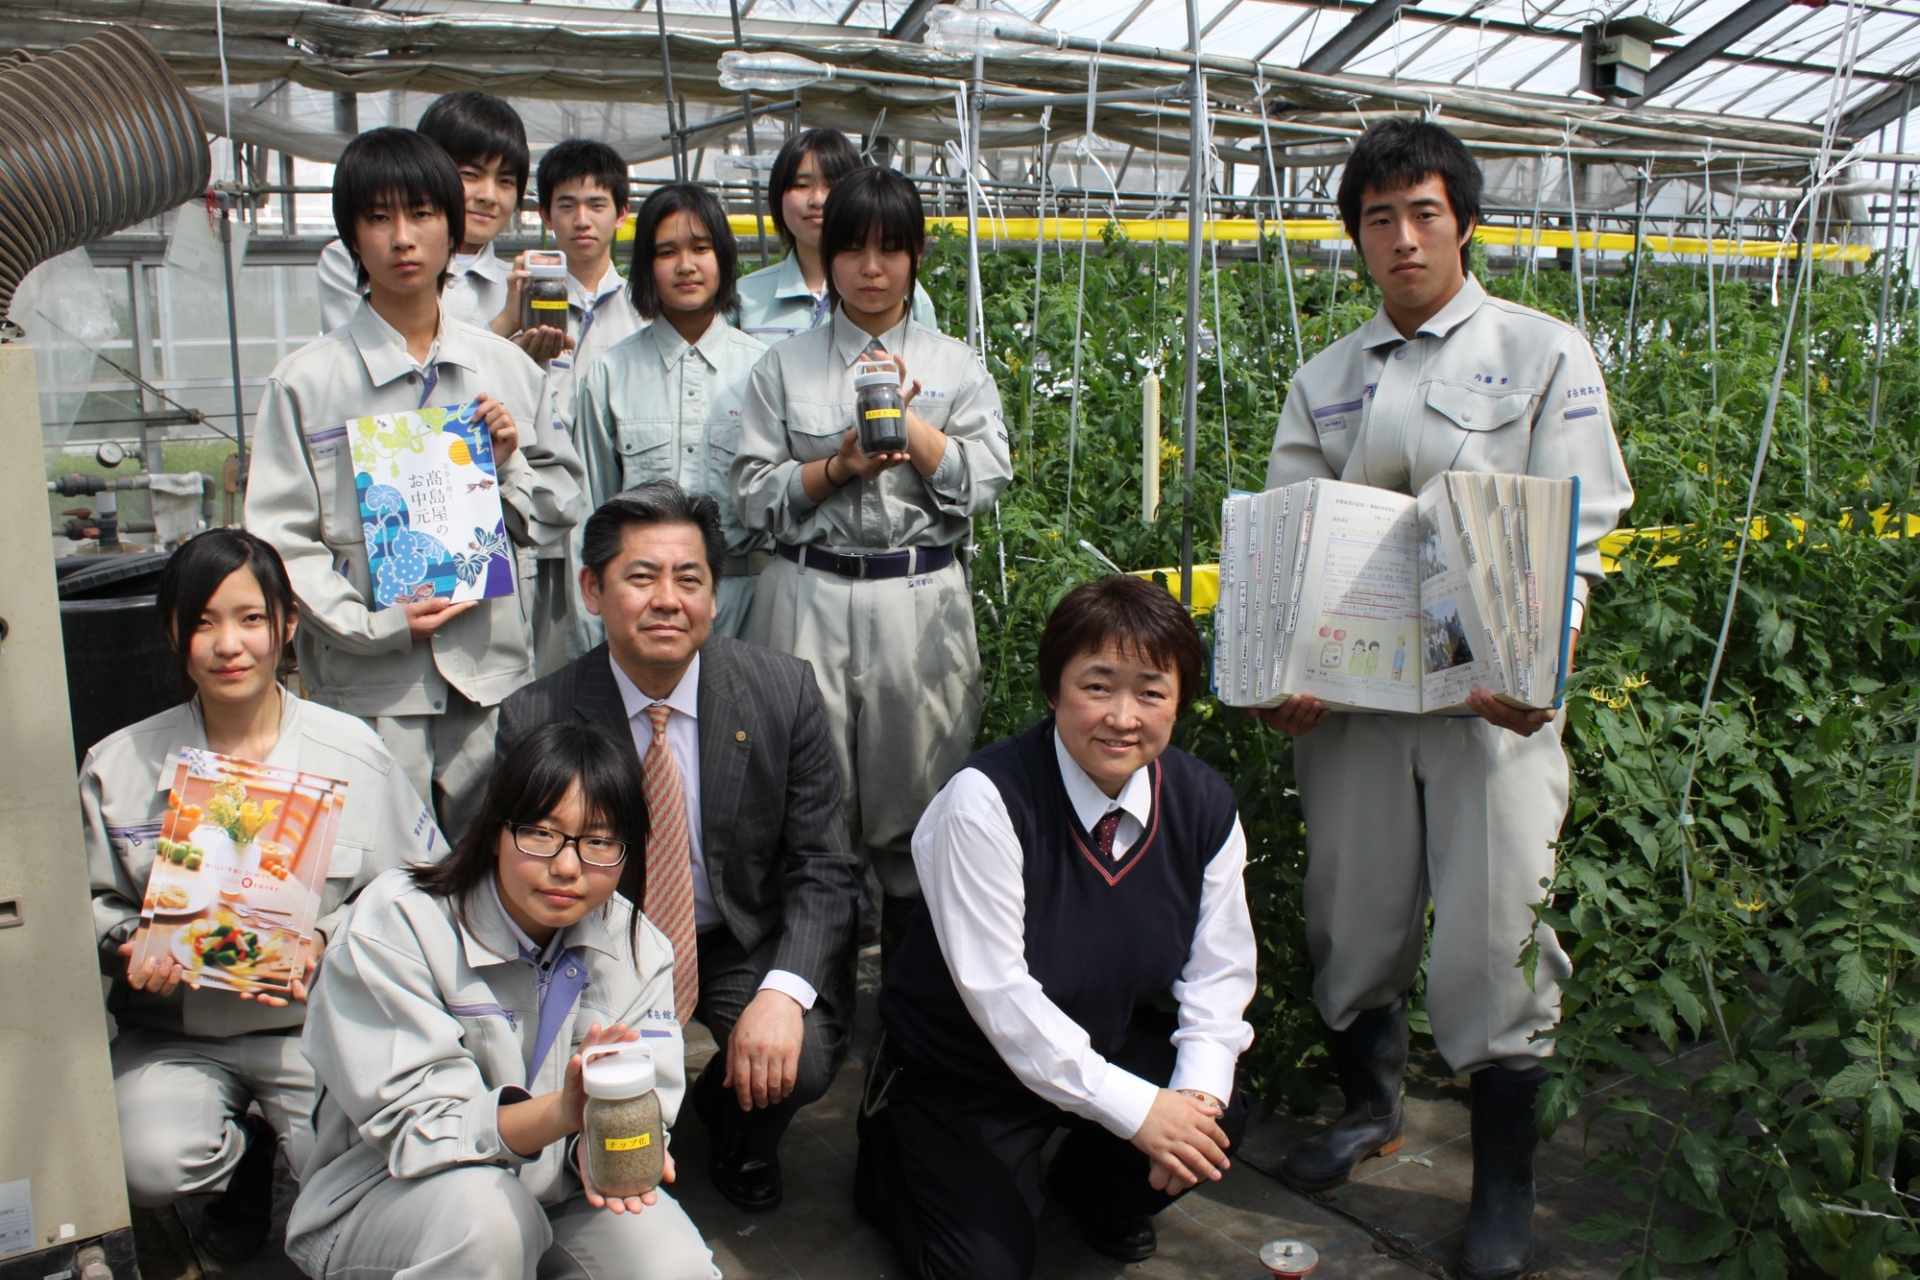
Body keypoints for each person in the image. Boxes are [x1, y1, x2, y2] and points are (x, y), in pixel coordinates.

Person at [1253, 117, 1633, 1280]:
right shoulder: (1325, 380)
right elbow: (1287, 534)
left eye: (1424, 213)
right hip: (1359, 705)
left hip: (1490, 703)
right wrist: (1283, 671)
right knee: (1352, 904)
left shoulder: (1541, 354)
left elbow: (1580, 527)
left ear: (1465, 221)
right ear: (1356, 240)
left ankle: (1502, 1180)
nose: (1403, 238)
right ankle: (1370, 1107)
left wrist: (1536, 663)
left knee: (1494, 925)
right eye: (1378, 219)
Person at [858, 576, 1256, 1277]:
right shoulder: (985, 804)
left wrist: (1191, 1101)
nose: (1122, 717)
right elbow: (1001, 998)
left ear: (1180, 703)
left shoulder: (1202, 805)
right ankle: (892, 1155)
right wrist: (1136, 1111)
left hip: (1100, 1041)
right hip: (967, 1074)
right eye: (1097, 686)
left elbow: (1220, 972)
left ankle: (1093, 1190)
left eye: (1151, 691)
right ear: (1052, 690)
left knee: (1212, 1113)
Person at [497, 482, 860, 1215]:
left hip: (731, 935)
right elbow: (518, 877)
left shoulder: (781, 692)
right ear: (593, 590)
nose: (668, 599)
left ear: (714, 595)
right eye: (642, 577)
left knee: (806, 1053)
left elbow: (826, 862)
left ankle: (733, 1130)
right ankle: (595, 1143)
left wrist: (782, 997)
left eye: (689, 578)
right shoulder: (537, 714)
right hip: (597, 937)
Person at [81, 529, 442, 1262]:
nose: (228, 644)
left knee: (361, 1181)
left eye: (250, 618)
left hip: (321, 1030)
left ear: (286, 626)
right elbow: (81, 903)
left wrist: (327, 936)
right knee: (145, 1158)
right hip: (178, 1034)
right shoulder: (117, 767)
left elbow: (420, 890)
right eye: (203, 621)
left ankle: (290, 1161)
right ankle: (237, 1161)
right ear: (173, 633)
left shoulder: (355, 755)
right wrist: (126, 942)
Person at [286, 722, 719, 1279]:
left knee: (673, 1266)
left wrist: (608, 1147)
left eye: (599, 842)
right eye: (541, 833)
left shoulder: (639, 948)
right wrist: (565, 1112)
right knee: (490, 1223)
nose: (567, 865)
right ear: (495, 829)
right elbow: (419, 1131)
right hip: (392, 1197)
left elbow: (647, 1098)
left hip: (556, 1195)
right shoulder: (396, 924)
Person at [246, 127, 585, 839]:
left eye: (423, 214)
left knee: (494, 865)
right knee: (375, 873)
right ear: (351, 238)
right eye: (378, 218)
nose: (403, 238)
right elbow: (279, 539)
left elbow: (561, 505)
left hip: (487, 679)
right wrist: (370, 624)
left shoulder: (507, 370)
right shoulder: (306, 384)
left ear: (452, 229)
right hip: (370, 682)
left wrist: (509, 462)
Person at [733, 166, 1013, 956]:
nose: (871, 268)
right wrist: (841, 466)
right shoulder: (782, 367)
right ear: (828, 251)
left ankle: (911, 1011)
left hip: (916, 595)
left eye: (891, 249)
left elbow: (986, 481)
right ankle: (814, 1007)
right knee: (810, 805)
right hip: (806, 591)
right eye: (852, 248)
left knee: (917, 804)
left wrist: (915, 426)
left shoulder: (955, 366)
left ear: (917, 254)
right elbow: (752, 496)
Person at [574, 184, 770, 645]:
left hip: (748, 606)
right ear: (645, 267)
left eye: (700, 248)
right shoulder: (609, 372)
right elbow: (589, 507)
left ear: (723, 257)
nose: (686, 266)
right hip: (644, 615)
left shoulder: (765, 368)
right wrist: (591, 635)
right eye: (667, 252)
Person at [521, 138, 646, 673]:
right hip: (540, 511)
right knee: (547, 662)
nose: (581, 220)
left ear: (621, 213)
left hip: (619, 502)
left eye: (596, 205)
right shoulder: (522, 301)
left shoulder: (644, 308)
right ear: (546, 213)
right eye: (566, 205)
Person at [317, 92, 529, 341]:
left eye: (505, 181)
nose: (488, 196)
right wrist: (504, 327)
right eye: (470, 174)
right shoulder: (356, 259)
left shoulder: (518, 287)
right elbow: (365, 358)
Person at [733, 128, 939, 344]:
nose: (818, 200)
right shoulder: (745, 296)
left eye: (832, 185)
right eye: (802, 185)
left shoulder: (908, 297)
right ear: (777, 196)